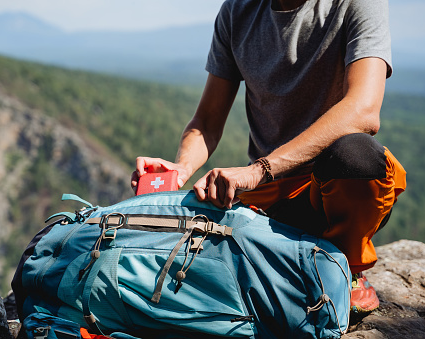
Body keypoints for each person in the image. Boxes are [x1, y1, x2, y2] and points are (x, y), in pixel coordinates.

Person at [131, 0, 406, 314]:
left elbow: (364, 111)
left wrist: (260, 169)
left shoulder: (357, 3)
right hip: (267, 201)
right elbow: (207, 121)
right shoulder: (238, 11)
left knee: (357, 158)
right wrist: (181, 168)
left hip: (332, 192)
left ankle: (345, 265)